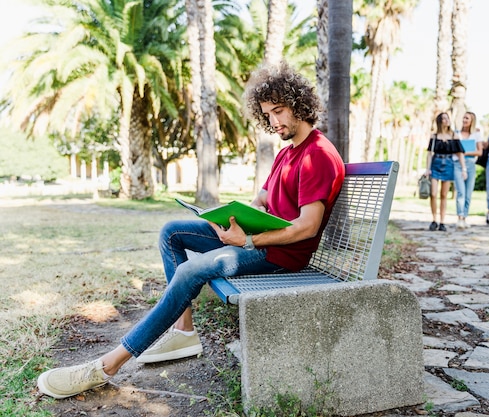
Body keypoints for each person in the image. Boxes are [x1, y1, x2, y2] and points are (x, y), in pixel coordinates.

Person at [37, 62, 346, 399]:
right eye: (267, 114)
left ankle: (106, 367)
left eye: (279, 111)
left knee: (192, 269)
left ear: (299, 104)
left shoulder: (317, 155)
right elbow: (263, 199)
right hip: (255, 239)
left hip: (281, 255)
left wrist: (248, 239)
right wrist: (234, 215)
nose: (274, 122)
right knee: (172, 232)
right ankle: (183, 331)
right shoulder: (288, 153)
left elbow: (307, 227)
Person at [425, 112, 466, 232]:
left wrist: (463, 169)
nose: (446, 120)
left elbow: (460, 153)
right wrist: (427, 168)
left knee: (444, 195)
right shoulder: (434, 136)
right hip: (436, 162)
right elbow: (429, 153)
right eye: (443, 118)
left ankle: (442, 222)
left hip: (449, 164)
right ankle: (434, 220)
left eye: (447, 118)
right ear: (439, 121)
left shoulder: (454, 135)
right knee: (433, 193)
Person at [453, 112, 483, 229]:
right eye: (464, 117)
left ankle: (465, 217)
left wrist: (464, 152)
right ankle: (460, 217)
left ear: (472, 121)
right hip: (458, 164)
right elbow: (454, 150)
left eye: (467, 118)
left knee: (468, 193)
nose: (464, 120)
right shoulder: (456, 134)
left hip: (470, 164)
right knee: (461, 192)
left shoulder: (476, 135)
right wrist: (461, 152)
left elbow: (479, 152)